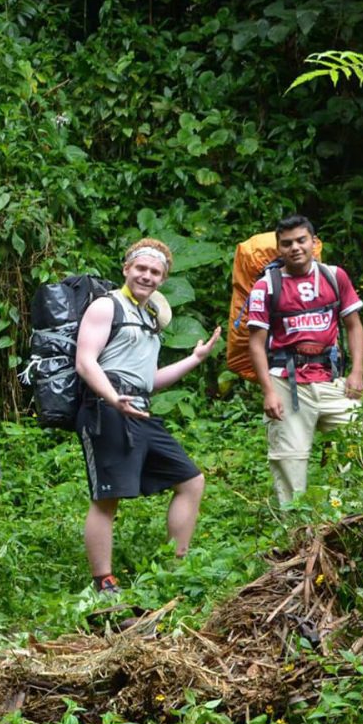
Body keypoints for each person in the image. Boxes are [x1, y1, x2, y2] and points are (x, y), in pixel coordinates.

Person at [74, 238, 221, 594]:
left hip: (139, 407)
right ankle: (104, 583)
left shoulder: (150, 317)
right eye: (141, 268)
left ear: (163, 279)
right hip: (105, 408)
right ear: (126, 269)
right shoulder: (106, 306)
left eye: (155, 272)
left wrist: (194, 359)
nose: (147, 276)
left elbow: (149, 380)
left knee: (191, 481)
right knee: (107, 497)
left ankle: (177, 568)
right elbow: (85, 362)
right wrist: (112, 398)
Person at [245, 214, 363, 505]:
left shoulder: (334, 276)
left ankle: (354, 512)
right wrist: (268, 391)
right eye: (287, 243)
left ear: (314, 242)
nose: (295, 248)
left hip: (332, 378)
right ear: (279, 248)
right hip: (286, 381)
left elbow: (354, 325)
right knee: (289, 459)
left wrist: (357, 372)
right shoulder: (266, 287)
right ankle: (294, 524)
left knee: (360, 443)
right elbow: (256, 343)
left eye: (301, 240)